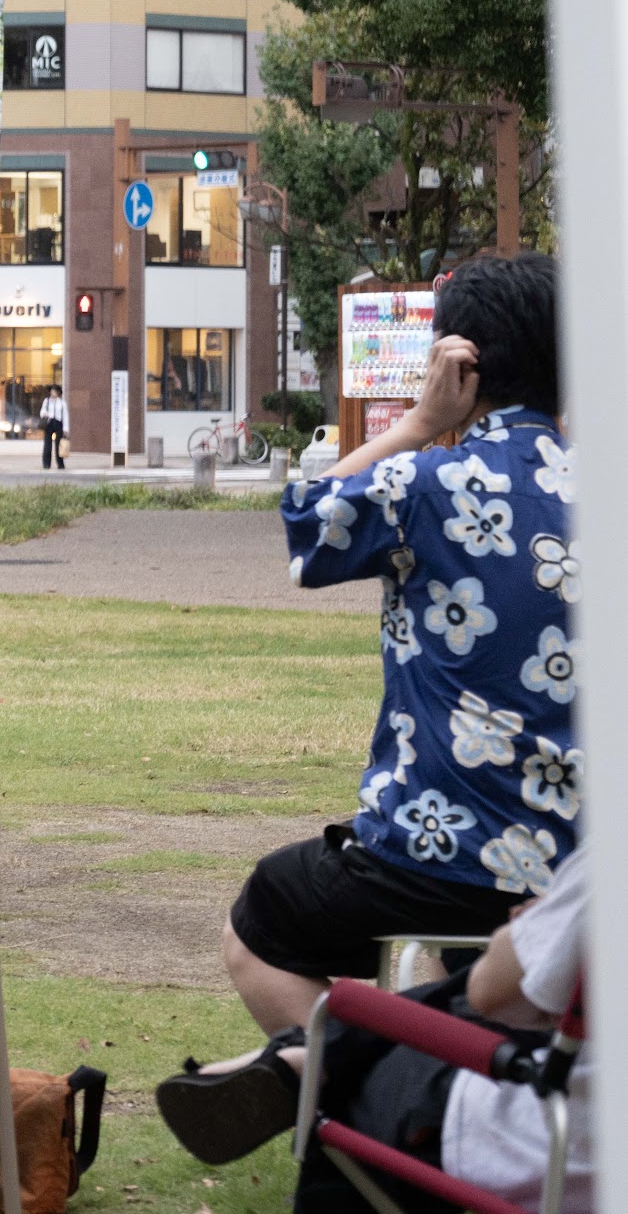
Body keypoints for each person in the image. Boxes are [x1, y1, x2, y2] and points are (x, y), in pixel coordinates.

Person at [225, 255, 576, 1040]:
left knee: (260, 925)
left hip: (435, 857)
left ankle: (356, 1077)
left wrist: (419, 422)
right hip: (583, 870)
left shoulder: (425, 484)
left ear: (458, 366)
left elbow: (307, 522)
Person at [157, 846, 589, 1214]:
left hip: (551, 1137)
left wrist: (529, 925)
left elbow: (488, 992)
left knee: (362, 1084)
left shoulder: (605, 871)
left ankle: (310, 1059)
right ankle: (312, 1056)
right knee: (475, 999)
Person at [39, 384, 68, 469]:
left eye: (54, 391)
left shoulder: (62, 403)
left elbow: (65, 415)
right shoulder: (47, 401)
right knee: (47, 445)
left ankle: (60, 464)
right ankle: (46, 464)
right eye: (52, 391)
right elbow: (42, 411)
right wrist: (45, 413)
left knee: (58, 445)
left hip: (58, 423)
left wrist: (66, 428)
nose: (53, 393)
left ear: (58, 393)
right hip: (49, 423)